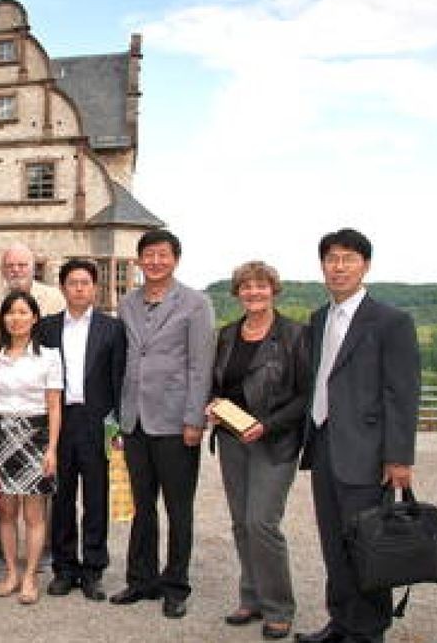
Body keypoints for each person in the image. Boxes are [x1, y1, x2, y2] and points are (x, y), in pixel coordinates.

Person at [296, 229, 420, 643]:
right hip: (324, 443)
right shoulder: (319, 318)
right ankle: (341, 622)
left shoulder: (390, 321)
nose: (339, 266)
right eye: (331, 258)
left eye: (348, 258)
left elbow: (402, 393)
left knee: (368, 544)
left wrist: (399, 457)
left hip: (367, 452)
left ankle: (368, 631)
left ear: (365, 265)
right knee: (335, 543)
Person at [113, 229, 215, 619]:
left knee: (178, 507)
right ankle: (142, 580)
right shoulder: (128, 303)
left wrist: (194, 418)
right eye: (148, 255)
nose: (155, 261)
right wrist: (120, 420)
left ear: (175, 259)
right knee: (142, 507)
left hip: (176, 423)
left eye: (163, 255)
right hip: (134, 421)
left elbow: (200, 365)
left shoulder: (195, 303)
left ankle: (176, 585)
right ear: (139, 261)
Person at [205, 261, 309, 640]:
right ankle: (251, 597)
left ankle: (279, 607)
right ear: (237, 293)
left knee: (261, 522)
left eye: (261, 286)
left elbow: (304, 397)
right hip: (233, 439)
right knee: (240, 522)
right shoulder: (227, 335)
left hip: (274, 441)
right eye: (246, 286)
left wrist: (269, 424)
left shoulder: (296, 335)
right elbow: (217, 382)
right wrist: (211, 405)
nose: (253, 292)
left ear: (273, 290)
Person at [38, 259, 125, 602]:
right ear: (62, 287)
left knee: (95, 498)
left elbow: (118, 378)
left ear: (95, 288)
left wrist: (119, 426)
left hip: (97, 422)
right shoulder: (46, 328)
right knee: (60, 499)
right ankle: (64, 568)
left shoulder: (112, 328)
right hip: (59, 421)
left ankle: (92, 569)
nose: (78, 288)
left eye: (85, 283)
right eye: (72, 282)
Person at [0, 291, 63, 605]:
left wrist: (52, 448)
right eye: (10, 312)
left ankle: (31, 575)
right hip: (1, 436)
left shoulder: (49, 356)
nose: (16, 318)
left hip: (36, 435)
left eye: (23, 312)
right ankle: (10, 571)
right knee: (6, 512)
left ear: (35, 317)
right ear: (3, 318)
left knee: (35, 514)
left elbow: (54, 407)